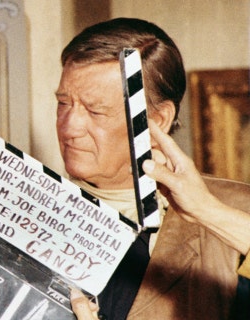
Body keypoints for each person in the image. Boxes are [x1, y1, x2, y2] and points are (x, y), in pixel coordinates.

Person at [55, 18, 250, 319]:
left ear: (156, 120)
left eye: (95, 110)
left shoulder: (236, 209)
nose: (69, 127)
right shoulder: (22, 208)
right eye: (64, 104)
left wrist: (207, 211)